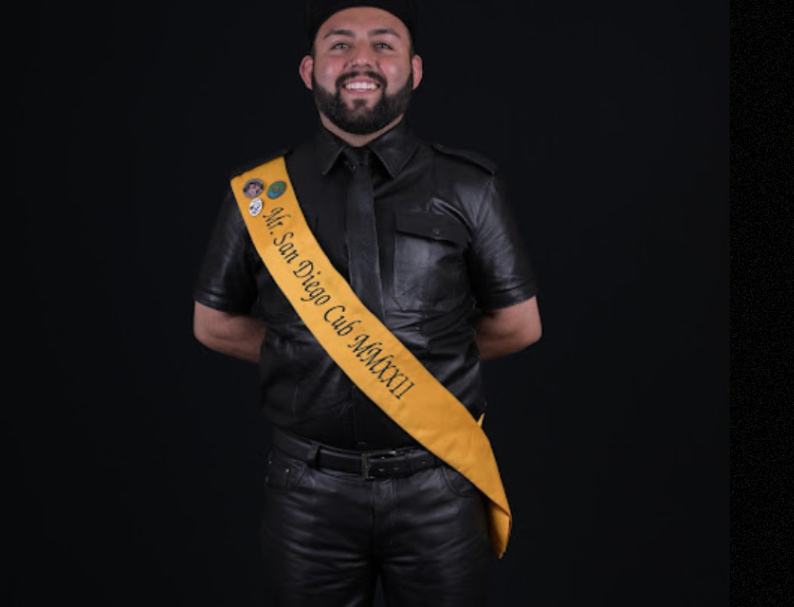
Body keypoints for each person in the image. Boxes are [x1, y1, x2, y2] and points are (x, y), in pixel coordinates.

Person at [192, 1, 542, 604]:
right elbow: (213, 323)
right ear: (309, 71)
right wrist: (307, 353)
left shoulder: (470, 186)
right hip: (308, 491)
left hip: (439, 485)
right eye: (339, 44)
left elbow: (518, 325)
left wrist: (419, 367)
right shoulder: (259, 194)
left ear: (414, 69)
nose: (361, 59)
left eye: (383, 44)